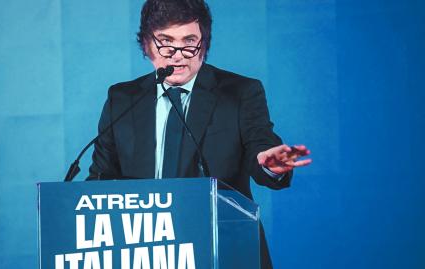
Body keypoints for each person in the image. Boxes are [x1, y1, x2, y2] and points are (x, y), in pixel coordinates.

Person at [88, 0, 311, 268]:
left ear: (204, 45)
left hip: (223, 249)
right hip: (146, 253)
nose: (178, 54)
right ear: (147, 45)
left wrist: (272, 165)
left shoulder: (240, 93)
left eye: (189, 41)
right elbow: (99, 181)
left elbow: (260, 145)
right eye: (165, 41)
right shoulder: (122, 99)